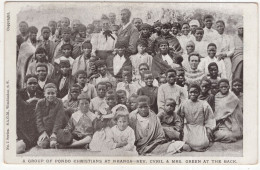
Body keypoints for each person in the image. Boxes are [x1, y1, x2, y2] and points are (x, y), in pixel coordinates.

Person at [178, 84, 216, 151]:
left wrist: (208, 129)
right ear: (188, 93)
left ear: (199, 93)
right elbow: (179, 117)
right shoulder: (184, 104)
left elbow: (209, 118)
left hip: (200, 127)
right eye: (191, 92)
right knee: (187, 141)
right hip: (189, 127)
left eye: (195, 92)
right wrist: (181, 128)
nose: (193, 94)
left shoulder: (204, 104)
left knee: (202, 143)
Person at [35, 83, 66, 149]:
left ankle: (53, 139)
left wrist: (54, 133)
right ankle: (43, 139)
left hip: (56, 129)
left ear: (56, 93)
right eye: (48, 93)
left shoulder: (59, 102)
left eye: (53, 93)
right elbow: (38, 119)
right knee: (44, 145)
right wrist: (43, 132)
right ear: (44, 94)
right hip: (45, 129)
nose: (50, 95)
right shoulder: (40, 103)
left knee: (54, 143)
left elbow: (59, 119)